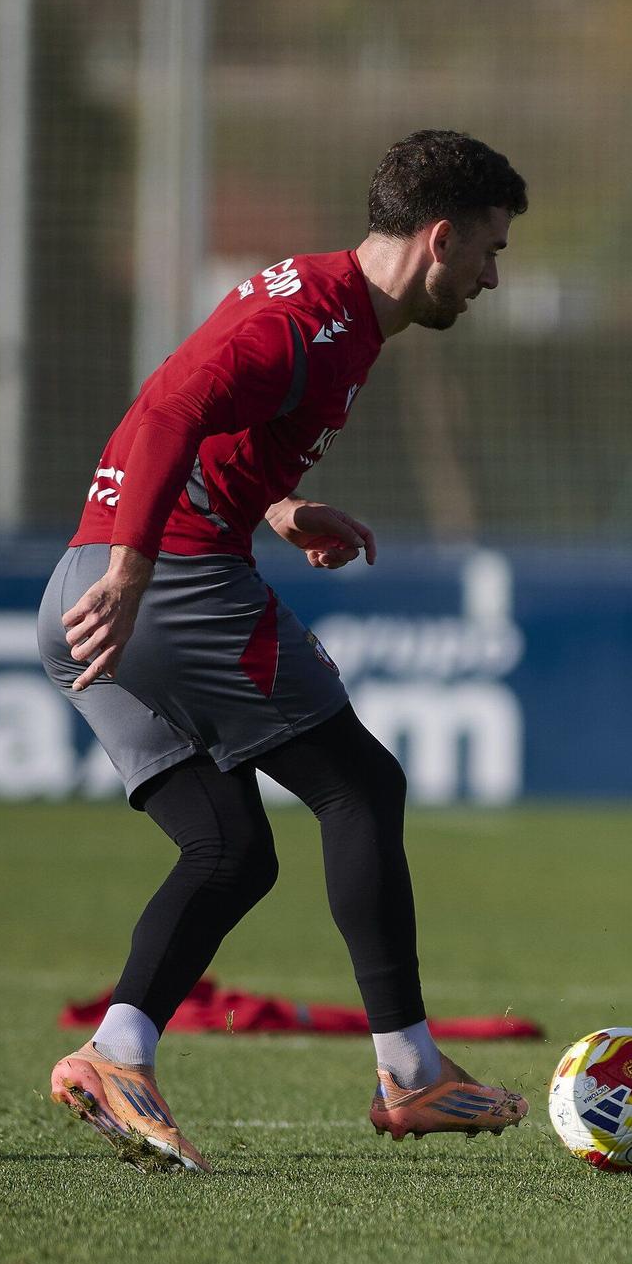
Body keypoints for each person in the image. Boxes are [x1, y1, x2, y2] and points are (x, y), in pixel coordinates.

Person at [36, 130, 529, 1172]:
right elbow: (167, 406)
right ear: (438, 240)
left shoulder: (329, 307)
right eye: (488, 250)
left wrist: (277, 501)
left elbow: (211, 420)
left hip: (83, 585)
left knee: (231, 850)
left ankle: (116, 1053)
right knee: (361, 786)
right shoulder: (312, 322)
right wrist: (135, 575)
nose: (492, 276)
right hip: (160, 583)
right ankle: (410, 1070)